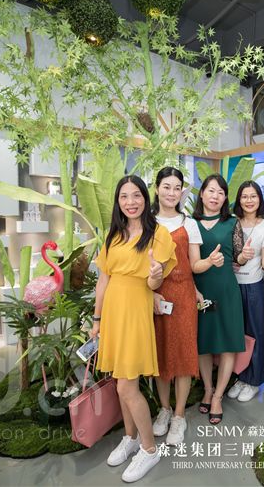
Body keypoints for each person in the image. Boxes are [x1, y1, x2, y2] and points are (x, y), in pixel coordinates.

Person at [89, 175, 177, 483]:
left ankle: (150, 449)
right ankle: (131, 438)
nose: (131, 202)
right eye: (124, 196)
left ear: (145, 198)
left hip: (136, 311)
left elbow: (154, 282)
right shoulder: (114, 234)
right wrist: (97, 320)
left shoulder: (158, 234)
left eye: (136, 195)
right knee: (119, 383)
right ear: (118, 201)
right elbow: (104, 280)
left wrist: (155, 275)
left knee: (127, 387)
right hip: (113, 313)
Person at [149, 167, 204, 445]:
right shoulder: (146, 222)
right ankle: (164, 409)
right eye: (166, 186)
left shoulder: (189, 223)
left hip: (183, 295)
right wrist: (150, 294)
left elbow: (194, 264)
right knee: (159, 354)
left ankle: (179, 415)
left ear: (182, 191)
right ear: (157, 188)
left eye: (177, 187)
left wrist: (204, 270)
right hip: (155, 294)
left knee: (183, 353)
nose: (172, 193)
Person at [190, 174, 245, 424]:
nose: (215, 196)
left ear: (225, 199)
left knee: (227, 343)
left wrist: (244, 257)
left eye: (220, 192)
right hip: (200, 290)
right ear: (202, 194)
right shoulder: (190, 223)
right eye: (211, 191)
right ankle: (207, 388)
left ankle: (218, 396)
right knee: (203, 341)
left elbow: (239, 257)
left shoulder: (232, 222)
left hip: (226, 290)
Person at [227, 181, 264, 402]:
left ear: (260, 199)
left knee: (255, 333)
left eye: (253, 196)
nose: (249, 200)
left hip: (254, 286)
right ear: (239, 200)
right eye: (244, 196)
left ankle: (254, 380)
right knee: (236, 334)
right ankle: (241, 376)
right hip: (230, 285)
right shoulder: (231, 223)